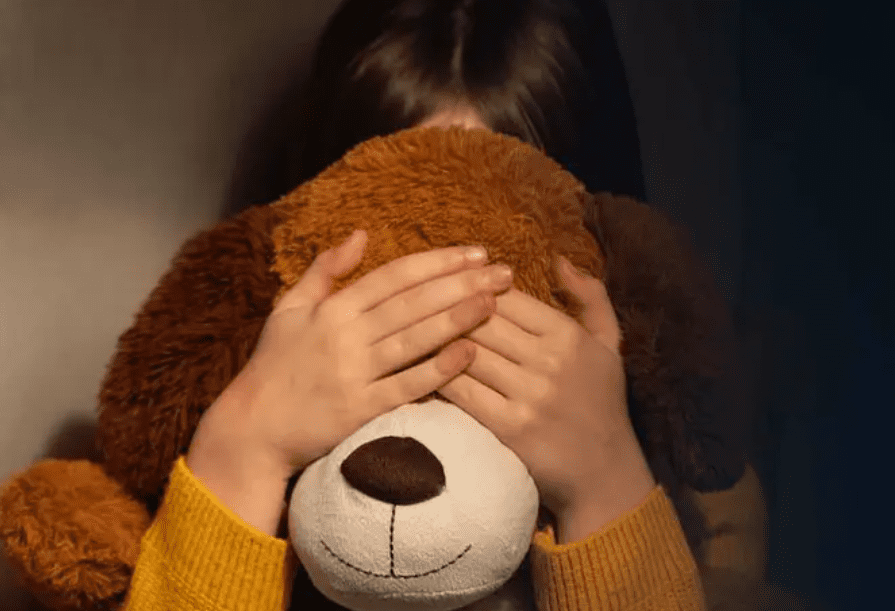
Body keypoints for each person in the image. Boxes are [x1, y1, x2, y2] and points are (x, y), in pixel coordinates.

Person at [123, 1, 706, 609]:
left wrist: (605, 483)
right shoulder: (236, 466)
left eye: (492, 261)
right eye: (395, 263)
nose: (440, 315)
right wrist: (245, 448)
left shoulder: (704, 517)